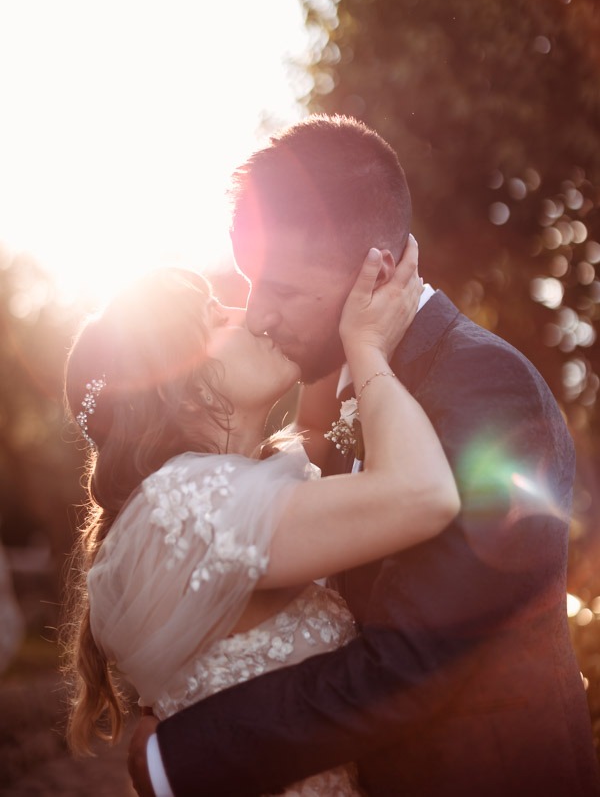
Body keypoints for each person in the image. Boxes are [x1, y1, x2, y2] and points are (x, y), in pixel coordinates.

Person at [129, 114, 600, 797]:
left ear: (374, 271)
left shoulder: (485, 387)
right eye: (252, 283)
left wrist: (179, 758)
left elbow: (411, 662)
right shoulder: (346, 390)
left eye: (284, 289)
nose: (258, 315)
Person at [62, 255, 460, 797]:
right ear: (179, 386)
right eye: (215, 318)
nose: (248, 315)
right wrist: (367, 347)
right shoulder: (182, 506)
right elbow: (424, 493)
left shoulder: (233, 491)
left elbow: (315, 428)